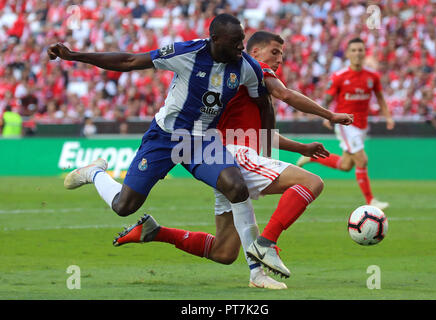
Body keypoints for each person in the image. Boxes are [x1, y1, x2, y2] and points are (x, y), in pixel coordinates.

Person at [113, 31, 353, 289]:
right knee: (312, 183)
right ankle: (265, 244)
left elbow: (261, 136)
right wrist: (329, 114)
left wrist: (300, 147)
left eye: (282, 55)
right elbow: (286, 95)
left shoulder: (239, 81)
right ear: (255, 51)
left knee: (223, 252)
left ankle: (154, 231)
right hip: (234, 155)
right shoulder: (253, 68)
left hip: (221, 159)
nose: (279, 59)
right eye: (274, 52)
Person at [48, 14, 281, 271]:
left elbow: (264, 104)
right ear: (214, 39)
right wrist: (76, 56)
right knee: (124, 206)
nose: (241, 47)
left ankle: (256, 272)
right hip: (165, 137)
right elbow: (129, 60)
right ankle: (94, 173)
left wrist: (266, 150)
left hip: (203, 142)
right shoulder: (187, 52)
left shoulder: (247, 67)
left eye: (242, 40)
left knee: (236, 186)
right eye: (235, 41)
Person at [297, 37, 394, 210]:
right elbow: (327, 98)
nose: (357, 53)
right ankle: (370, 200)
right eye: (354, 50)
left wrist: (388, 117)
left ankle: (313, 157)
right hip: (346, 124)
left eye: (360, 50)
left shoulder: (372, 76)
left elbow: (380, 98)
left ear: (365, 53)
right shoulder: (339, 76)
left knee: (346, 165)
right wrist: (327, 116)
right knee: (362, 160)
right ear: (348, 54)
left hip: (362, 126)